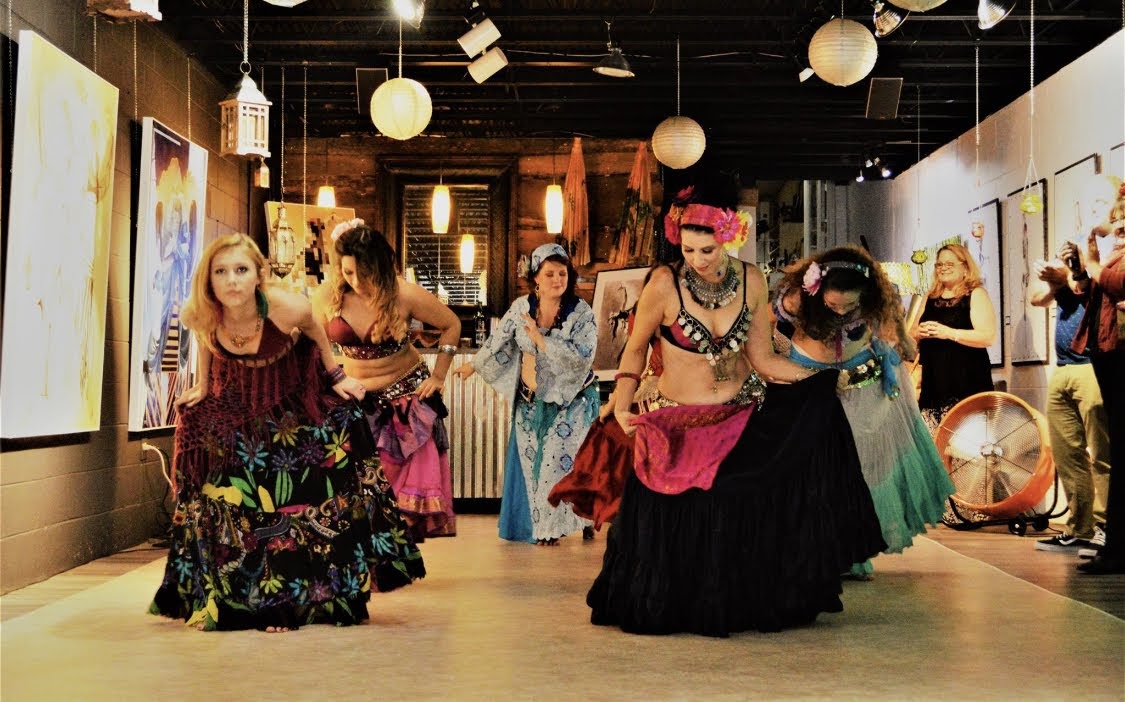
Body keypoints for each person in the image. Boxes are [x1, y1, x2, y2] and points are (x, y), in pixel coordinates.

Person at [586, 180, 885, 637]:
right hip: (676, 423)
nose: (697, 260)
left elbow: (763, 359)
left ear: (728, 238)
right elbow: (635, 349)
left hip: (741, 416)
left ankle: (740, 602)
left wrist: (816, 378)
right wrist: (622, 404)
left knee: (747, 496)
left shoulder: (751, 280)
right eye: (688, 250)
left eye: (707, 250)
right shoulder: (664, 283)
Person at [149, 234, 425, 632]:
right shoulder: (201, 312)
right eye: (221, 272)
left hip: (293, 396)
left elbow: (316, 331)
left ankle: (298, 601)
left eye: (241, 270)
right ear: (208, 279)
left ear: (258, 275)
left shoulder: (286, 307)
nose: (232, 280)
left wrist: (336, 376)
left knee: (296, 494)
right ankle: (237, 598)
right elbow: (206, 340)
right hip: (239, 398)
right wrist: (204, 385)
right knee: (227, 491)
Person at [773, 245, 954, 579]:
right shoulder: (796, 299)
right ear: (816, 290)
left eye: (849, 306)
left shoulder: (877, 300)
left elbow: (894, 328)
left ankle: (851, 552)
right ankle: (810, 549)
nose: (841, 312)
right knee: (813, 469)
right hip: (808, 385)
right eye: (833, 305)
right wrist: (780, 360)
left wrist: (900, 342)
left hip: (862, 389)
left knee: (859, 470)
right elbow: (764, 327)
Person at [315, 219, 460, 541]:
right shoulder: (328, 295)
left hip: (405, 404)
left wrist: (439, 375)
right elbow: (312, 339)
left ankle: (394, 556)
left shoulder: (404, 293)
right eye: (348, 272)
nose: (356, 281)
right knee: (353, 492)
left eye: (364, 273)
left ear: (380, 267)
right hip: (352, 401)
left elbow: (451, 325)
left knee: (397, 501)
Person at [452, 243, 598, 545]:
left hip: (572, 401)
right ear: (536, 278)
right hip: (530, 401)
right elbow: (498, 339)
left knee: (556, 462)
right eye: (550, 274)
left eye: (562, 273)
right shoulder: (521, 307)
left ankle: (552, 530)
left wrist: (541, 341)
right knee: (535, 467)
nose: (557, 279)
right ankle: (548, 526)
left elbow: (583, 356)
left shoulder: (580, 313)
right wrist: (473, 366)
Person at [1028, 252, 1110, 555]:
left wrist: (1069, 276)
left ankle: (1107, 528)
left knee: (1102, 452)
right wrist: (1055, 283)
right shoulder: (1062, 278)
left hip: (1092, 366)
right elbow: (1036, 298)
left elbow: (1088, 292)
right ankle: (1080, 528)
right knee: (1067, 453)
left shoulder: (1101, 272)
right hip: (1062, 368)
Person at [1065, 175, 1125, 575]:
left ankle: (1116, 548)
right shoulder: (1112, 251)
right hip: (1107, 351)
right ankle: (1116, 546)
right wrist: (1082, 266)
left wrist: (1092, 264)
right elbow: (1093, 293)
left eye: (1101, 203)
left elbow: (1119, 283)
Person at [911, 243, 997, 428]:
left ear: (965, 267)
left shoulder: (976, 294)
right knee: (933, 439)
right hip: (933, 383)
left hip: (966, 381)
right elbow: (912, 333)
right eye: (939, 264)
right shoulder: (930, 297)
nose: (943, 268)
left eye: (949, 264)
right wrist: (919, 332)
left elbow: (988, 337)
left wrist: (949, 333)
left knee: (967, 441)